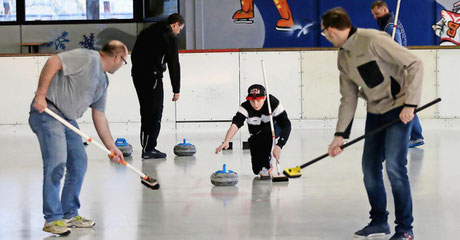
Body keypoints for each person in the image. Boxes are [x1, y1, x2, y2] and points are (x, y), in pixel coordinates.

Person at [322, 8, 422, 240]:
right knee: (369, 169)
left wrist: (411, 105)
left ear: (333, 30)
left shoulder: (374, 39)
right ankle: (379, 221)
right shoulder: (343, 56)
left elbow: (415, 64)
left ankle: (405, 229)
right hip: (376, 111)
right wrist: (340, 135)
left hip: (399, 110)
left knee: (395, 169)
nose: (326, 37)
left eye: (326, 33)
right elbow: (348, 97)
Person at [29, 40, 128, 236]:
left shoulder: (103, 81)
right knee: (56, 162)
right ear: (117, 57)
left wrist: (111, 147)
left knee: (79, 162)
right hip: (48, 112)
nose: (122, 65)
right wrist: (40, 95)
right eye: (124, 61)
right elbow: (53, 61)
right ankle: (52, 219)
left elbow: (99, 115)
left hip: (68, 119)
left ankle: (69, 213)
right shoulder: (88, 57)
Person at [371, 0, 424, 148]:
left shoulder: (390, 26)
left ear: (384, 10)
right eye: (373, 14)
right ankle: (415, 136)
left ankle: (414, 136)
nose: (375, 17)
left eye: (377, 13)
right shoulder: (389, 24)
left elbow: (397, 50)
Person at [131, 13, 184, 159]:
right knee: (154, 113)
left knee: (145, 111)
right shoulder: (169, 37)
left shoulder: (147, 31)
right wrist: (176, 89)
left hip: (137, 75)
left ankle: (145, 145)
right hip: (152, 77)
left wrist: (138, 70)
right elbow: (174, 64)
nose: (179, 32)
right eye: (180, 29)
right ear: (174, 25)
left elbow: (134, 54)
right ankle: (149, 148)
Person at [215, 84, 291, 179]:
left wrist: (279, 145)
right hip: (256, 134)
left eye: (258, 100)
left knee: (267, 135)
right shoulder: (245, 107)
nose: (255, 104)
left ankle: (268, 165)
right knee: (257, 169)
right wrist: (226, 141)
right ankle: (263, 167)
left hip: (273, 129)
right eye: (252, 100)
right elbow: (235, 124)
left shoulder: (272, 103)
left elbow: (286, 124)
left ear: (264, 98)